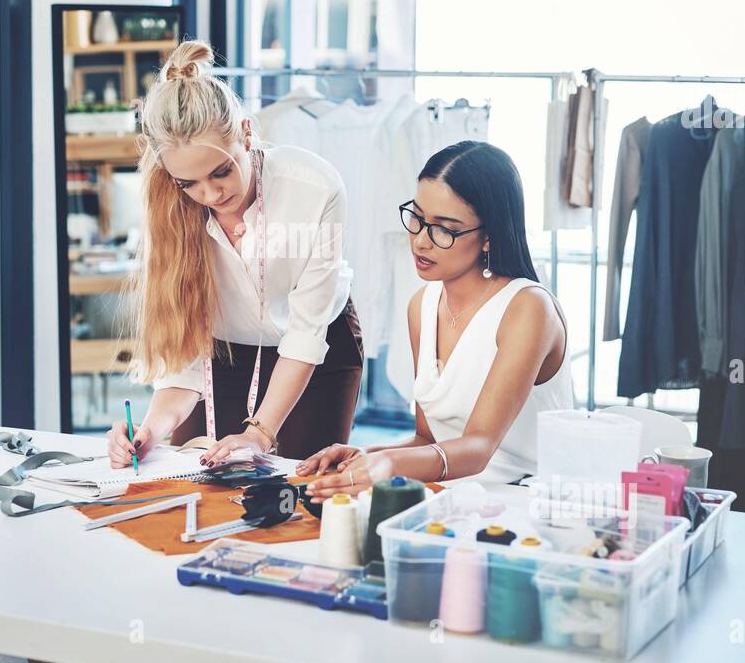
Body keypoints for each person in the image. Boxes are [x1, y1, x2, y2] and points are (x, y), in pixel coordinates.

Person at [106, 40, 363, 467]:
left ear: (246, 132)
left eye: (221, 171)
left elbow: (305, 334)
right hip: (222, 353)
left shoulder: (315, 188)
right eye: (189, 183)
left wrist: (259, 433)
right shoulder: (172, 207)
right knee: (197, 479)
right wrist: (151, 428)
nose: (210, 194)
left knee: (301, 491)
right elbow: (185, 356)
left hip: (316, 351)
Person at [298, 139, 574, 496]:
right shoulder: (423, 305)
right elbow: (427, 439)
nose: (420, 242)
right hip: (451, 499)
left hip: (528, 502)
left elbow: (478, 448)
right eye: (417, 218)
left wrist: (390, 464)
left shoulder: (527, 308)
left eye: (444, 228)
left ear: (489, 236)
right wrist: (364, 454)